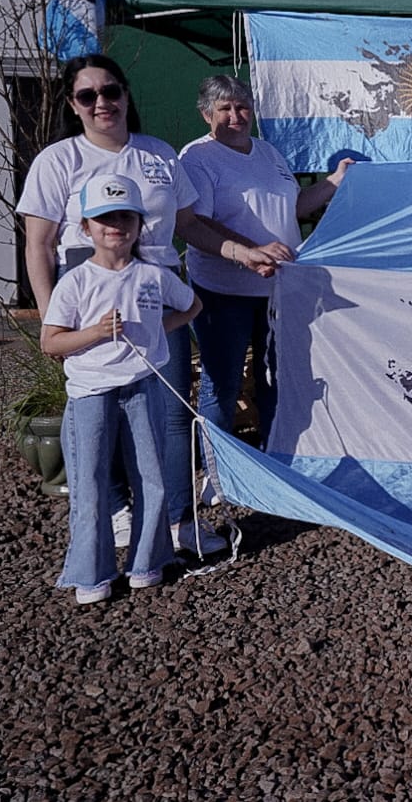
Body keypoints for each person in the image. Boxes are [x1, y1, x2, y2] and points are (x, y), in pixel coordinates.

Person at [16, 55, 275, 555]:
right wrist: (56, 321)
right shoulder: (59, 160)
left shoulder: (157, 155)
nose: (101, 103)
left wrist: (244, 253)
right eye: (87, 95)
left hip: (157, 288)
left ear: (127, 95)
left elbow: (191, 227)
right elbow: (38, 245)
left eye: (109, 91)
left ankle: (178, 519)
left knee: (171, 408)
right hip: (88, 291)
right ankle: (116, 509)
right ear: (73, 105)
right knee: (100, 404)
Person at [39, 175, 200, 604]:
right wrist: (94, 333)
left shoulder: (153, 275)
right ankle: (92, 574)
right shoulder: (75, 281)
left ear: (139, 225)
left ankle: (147, 562)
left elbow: (191, 305)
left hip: (143, 386)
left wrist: (156, 332)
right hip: (91, 392)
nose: (116, 226)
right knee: (89, 483)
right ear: (87, 228)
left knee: (153, 477)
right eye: (104, 218)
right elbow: (51, 341)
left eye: (126, 217)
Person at [179, 76, 349, 448]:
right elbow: (197, 221)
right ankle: (219, 470)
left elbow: (293, 208)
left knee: (275, 378)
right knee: (222, 381)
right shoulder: (196, 158)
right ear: (207, 114)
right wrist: (254, 250)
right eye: (224, 108)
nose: (235, 115)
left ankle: (276, 463)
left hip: (276, 289)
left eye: (242, 106)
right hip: (224, 290)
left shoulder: (268, 152)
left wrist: (334, 181)